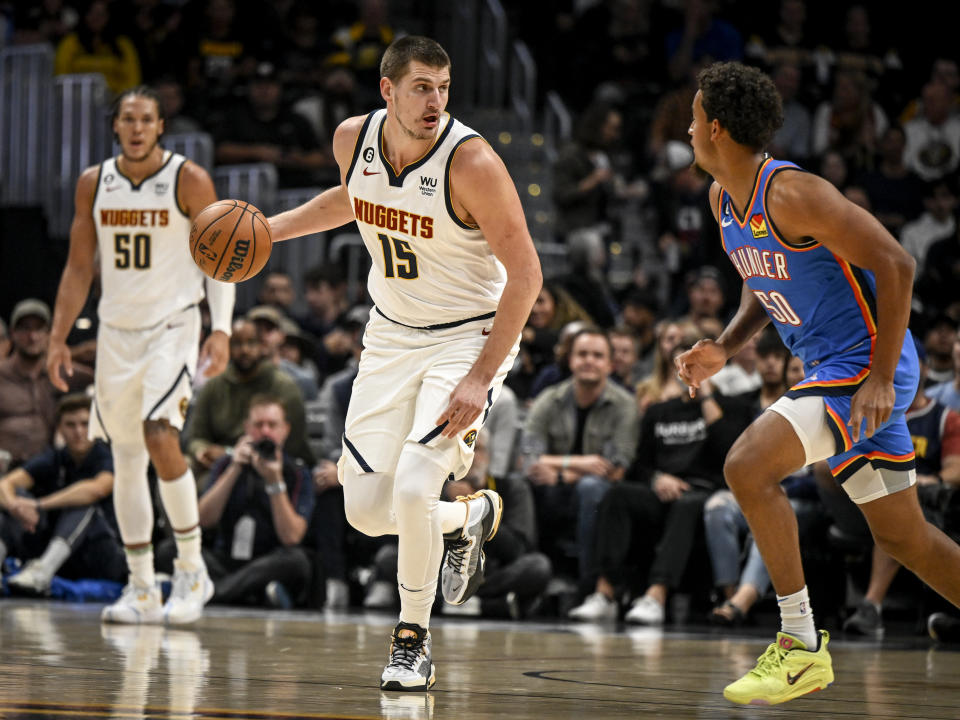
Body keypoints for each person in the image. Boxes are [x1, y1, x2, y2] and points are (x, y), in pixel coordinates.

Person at [264, 36, 542, 691]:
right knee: (364, 508)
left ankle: (411, 642)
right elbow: (353, 200)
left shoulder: (471, 162)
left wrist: (480, 377)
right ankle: (466, 518)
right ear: (386, 90)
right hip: (391, 334)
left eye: (443, 88)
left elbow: (527, 274)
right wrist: (271, 230)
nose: (435, 101)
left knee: (416, 485)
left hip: (467, 338)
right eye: (422, 87)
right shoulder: (349, 140)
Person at [678, 61, 960, 706]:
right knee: (904, 538)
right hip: (836, 368)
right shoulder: (723, 197)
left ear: (716, 128)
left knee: (747, 467)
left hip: (863, 363)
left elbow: (897, 262)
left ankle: (801, 646)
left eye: (694, 117)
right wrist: (725, 346)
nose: (688, 129)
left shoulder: (792, 193)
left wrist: (883, 378)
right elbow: (763, 277)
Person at [46, 85, 236, 625]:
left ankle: (193, 570)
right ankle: (141, 586)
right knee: (126, 458)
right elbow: (79, 268)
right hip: (116, 333)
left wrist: (219, 329)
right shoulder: (94, 184)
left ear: (159, 127)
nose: (135, 128)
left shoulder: (187, 179)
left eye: (145, 119)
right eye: (127, 118)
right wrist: (59, 337)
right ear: (116, 126)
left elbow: (219, 257)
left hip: (173, 327)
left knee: (160, 434)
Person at [160, 395, 315, 608]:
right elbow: (203, 520)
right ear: (246, 428)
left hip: (266, 562)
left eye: (272, 425)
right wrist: (234, 469)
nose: (265, 432)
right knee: (171, 549)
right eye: (258, 425)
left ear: (285, 429)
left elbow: (291, 537)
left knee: (297, 562)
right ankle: (253, 594)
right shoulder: (226, 465)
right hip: (225, 560)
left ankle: (213, 592)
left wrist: (275, 481)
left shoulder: (297, 472)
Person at [0, 393, 125, 596]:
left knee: (81, 503)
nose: (78, 431)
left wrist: (39, 505)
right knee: (17, 498)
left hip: (102, 554)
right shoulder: (56, 457)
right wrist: (16, 506)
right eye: (71, 425)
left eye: (85, 424)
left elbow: (97, 489)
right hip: (65, 557)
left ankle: (42, 572)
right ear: (59, 428)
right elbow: (6, 483)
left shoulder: (106, 455)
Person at [0, 299, 93, 469]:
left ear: (50, 333)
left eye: (39, 329)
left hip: (52, 471)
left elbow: (103, 381)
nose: (32, 336)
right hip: (7, 470)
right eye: (25, 328)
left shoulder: (66, 373)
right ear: (13, 333)